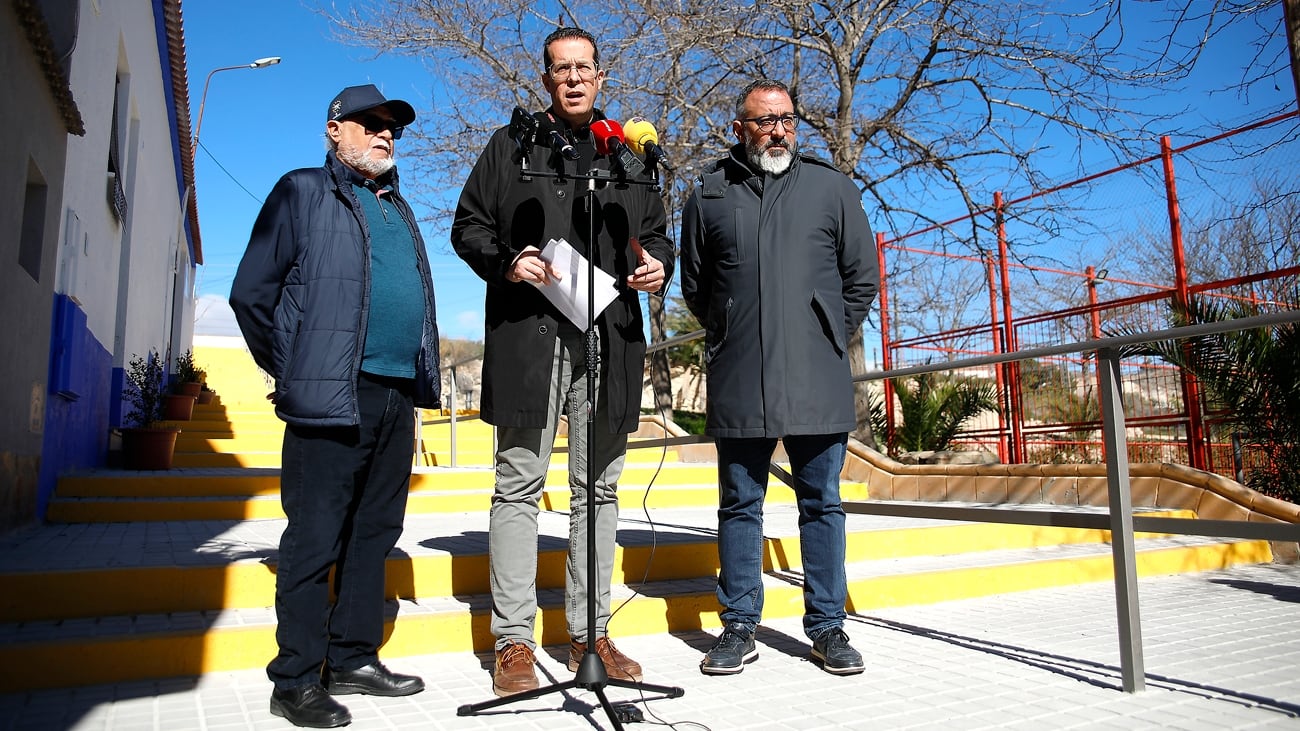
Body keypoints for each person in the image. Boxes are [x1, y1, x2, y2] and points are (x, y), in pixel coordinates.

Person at [450, 27, 674, 697]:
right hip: (530, 335)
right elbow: (468, 225)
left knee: (598, 488)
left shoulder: (627, 154)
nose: (573, 78)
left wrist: (659, 266)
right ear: (546, 78)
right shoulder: (511, 145)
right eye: (560, 69)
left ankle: (590, 632)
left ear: (601, 77)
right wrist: (507, 260)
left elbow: (656, 235)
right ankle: (514, 641)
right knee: (519, 482)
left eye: (583, 68)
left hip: (608, 340)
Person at [230, 84, 441, 728]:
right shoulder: (301, 191)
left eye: (391, 127)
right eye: (369, 123)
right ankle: (295, 678)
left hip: (396, 394)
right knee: (315, 537)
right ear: (334, 129)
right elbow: (251, 293)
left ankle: (352, 658)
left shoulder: (397, 207)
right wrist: (295, 368)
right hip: (330, 396)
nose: (384, 134)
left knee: (374, 533)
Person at [680, 79, 880, 676]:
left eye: (787, 120)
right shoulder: (709, 194)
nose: (778, 131)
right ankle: (739, 626)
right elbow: (697, 286)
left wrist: (825, 330)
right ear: (739, 128)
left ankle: (828, 627)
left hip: (816, 376)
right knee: (739, 504)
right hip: (741, 375)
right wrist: (732, 326)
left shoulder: (831, 188)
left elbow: (861, 277)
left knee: (822, 503)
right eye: (765, 121)